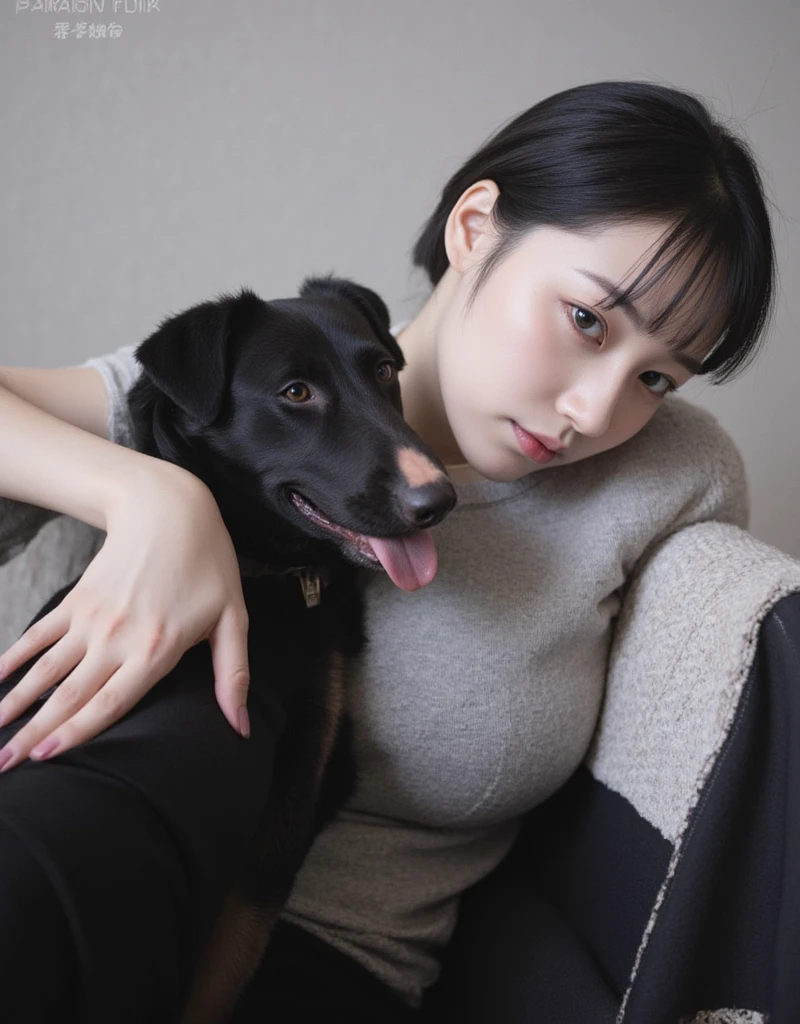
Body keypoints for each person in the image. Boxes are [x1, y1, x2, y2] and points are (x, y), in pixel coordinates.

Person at [0, 80, 775, 1022]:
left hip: (334, 973)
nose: (594, 411)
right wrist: (150, 493)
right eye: (586, 320)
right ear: (477, 227)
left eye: (657, 376)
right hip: (99, 860)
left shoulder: (663, 475)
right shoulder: (242, 385)